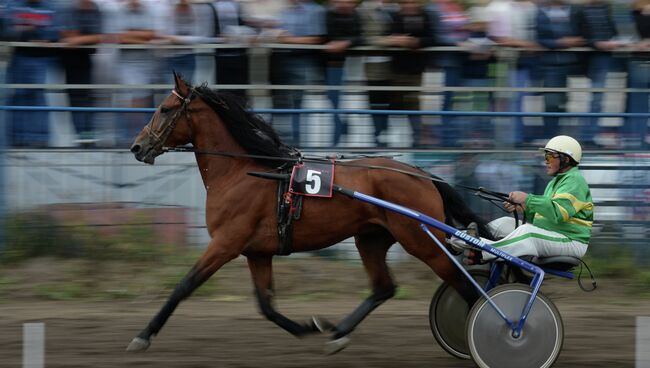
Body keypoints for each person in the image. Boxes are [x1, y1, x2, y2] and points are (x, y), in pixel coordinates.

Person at [451, 135, 593, 264]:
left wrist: (527, 198)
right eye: (545, 157)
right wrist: (523, 208)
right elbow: (545, 216)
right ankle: (459, 239)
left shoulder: (575, 181)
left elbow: (558, 213)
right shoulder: (555, 182)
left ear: (565, 159)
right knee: (504, 223)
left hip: (571, 242)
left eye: (550, 157)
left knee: (527, 232)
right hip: (555, 235)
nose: (546, 162)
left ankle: (483, 252)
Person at [4, 0, 59, 147]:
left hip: (42, 58)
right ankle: (17, 137)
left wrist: (26, 30)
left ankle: (40, 138)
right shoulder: (13, 5)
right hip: (17, 56)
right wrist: (32, 32)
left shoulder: (51, 6)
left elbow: (55, 33)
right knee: (18, 95)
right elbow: (6, 30)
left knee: (37, 95)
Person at [59, 0, 103, 146]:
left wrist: (80, 38)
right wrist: (86, 38)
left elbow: (99, 37)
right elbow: (67, 37)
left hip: (87, 58)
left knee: (88, 98)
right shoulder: (67, 8)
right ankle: (81, 137)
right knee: (76, 98)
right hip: (68, 59)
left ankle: (88, 136)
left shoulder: (95, 8)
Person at [324, 0, 362, 146]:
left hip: (345, 64)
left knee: (337, 102)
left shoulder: (356, 15)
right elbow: (326, 35)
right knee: (334, 101)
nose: (345, 4)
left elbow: (360, 37)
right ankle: (340, 133)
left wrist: (345, 43)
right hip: (330, 64)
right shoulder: (328, 14)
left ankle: (339, 134)